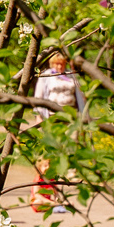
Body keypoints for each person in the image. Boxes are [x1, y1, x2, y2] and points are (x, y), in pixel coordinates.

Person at [30, 52, 86, 213]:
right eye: (56, 64)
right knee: (53, 145)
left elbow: (80, 96)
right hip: (52, 116)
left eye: (62, 63)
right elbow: (39, 95)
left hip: (70, 115)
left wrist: (83, 116)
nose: (59, 66)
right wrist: (38, 116)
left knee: (72, 142)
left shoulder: (71, 75)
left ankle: (71, 171)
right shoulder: (46, 76)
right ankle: (52, 171)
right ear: (52, 64)